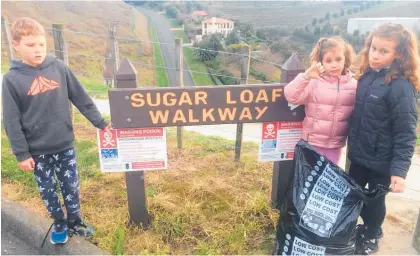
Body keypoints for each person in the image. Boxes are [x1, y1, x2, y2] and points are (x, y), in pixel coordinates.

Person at [2, 17, 111, 245]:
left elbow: (81, 97)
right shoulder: (11, 80)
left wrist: (100, 123)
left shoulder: (58, 67)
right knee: (48, 190)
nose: (38, 50)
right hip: (37, 151)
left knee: (71, 186)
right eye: (30, 45)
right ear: (16, 45)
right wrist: (22, 153)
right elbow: (11, 121)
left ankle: (74, 220)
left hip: (64, 144)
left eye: (41, 44)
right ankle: (59, 221)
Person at [347, 23, 420, 254]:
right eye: (373, 48)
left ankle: (371, 236)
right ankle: (362, 228)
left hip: (382, 161)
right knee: (354, 195)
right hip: (359, 155)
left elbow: (406, 131)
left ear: (399, 55)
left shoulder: (401, 87)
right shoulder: (366, 76)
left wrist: (398, 172)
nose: (375, 55)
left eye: (383, 51)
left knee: (375, 202)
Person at [284, 36, 357, 165]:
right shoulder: (314, 82)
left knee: (325, 181)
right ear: (321, 62)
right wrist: (306, 76)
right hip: (312, 143)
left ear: (345, 58)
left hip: (335, 145)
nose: (334, 64)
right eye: (328, 61)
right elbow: (291, 96)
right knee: (308, 181)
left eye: (338, 59)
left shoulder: (354, 84)